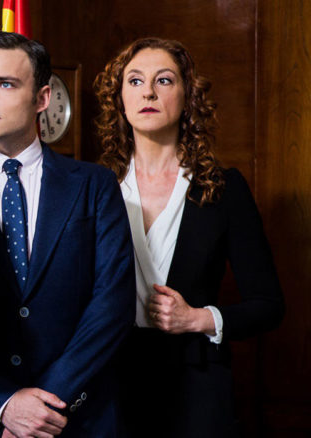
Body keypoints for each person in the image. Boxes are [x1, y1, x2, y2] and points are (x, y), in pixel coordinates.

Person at [93, 37, 284, 437]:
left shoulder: (224, 188)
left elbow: (269, 305)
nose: (148, 92)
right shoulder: (94, 187)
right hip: (111, 384)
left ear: (187, 97)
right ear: (120, 99)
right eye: (134, 81)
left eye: (163, 80)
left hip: (197, 384)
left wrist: (198, 318)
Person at [0, 31, 135, 438]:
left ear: (43, 98)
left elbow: (113, 304)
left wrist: (44, 406)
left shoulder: (95, 185)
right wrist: (3, 406)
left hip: (80, 419)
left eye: (5, 84)